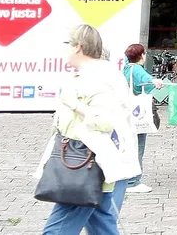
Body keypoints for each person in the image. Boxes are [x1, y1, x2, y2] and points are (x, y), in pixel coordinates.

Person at [40, 24, 140, 234]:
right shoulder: (99, 73)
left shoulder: (95, 77)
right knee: (101, 223)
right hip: (97, 162)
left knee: (57, 229)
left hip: (86, 164)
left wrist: (74, 104)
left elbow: (105, 120)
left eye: (67, 44)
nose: (65, 49)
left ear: (78, 47)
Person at [121, 44, 164, 193]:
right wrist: (157, 83)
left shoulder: (126, 69)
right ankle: (133, 181)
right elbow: (149, 81)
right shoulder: (138, 69)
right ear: (141, 55)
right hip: (138, 113)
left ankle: (126, 178)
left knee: (129, 145)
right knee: (138, 146)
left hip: (127, 112)